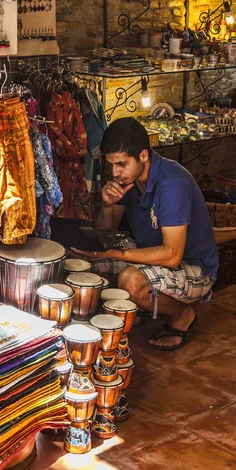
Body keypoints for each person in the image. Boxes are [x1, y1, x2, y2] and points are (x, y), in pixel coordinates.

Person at [71, 117, 219, 351]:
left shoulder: (172, 183)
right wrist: (108, 205)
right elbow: (106, 234)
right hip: (153, 256)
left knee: (130, 279)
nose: (115, 172)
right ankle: (135, 310)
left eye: (121, 164)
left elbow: (172, 256)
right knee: (85, 262)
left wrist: (121, 256)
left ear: (143, 155)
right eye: (111, 165)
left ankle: (182, 315)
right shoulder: (129, 179)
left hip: (195, 269)